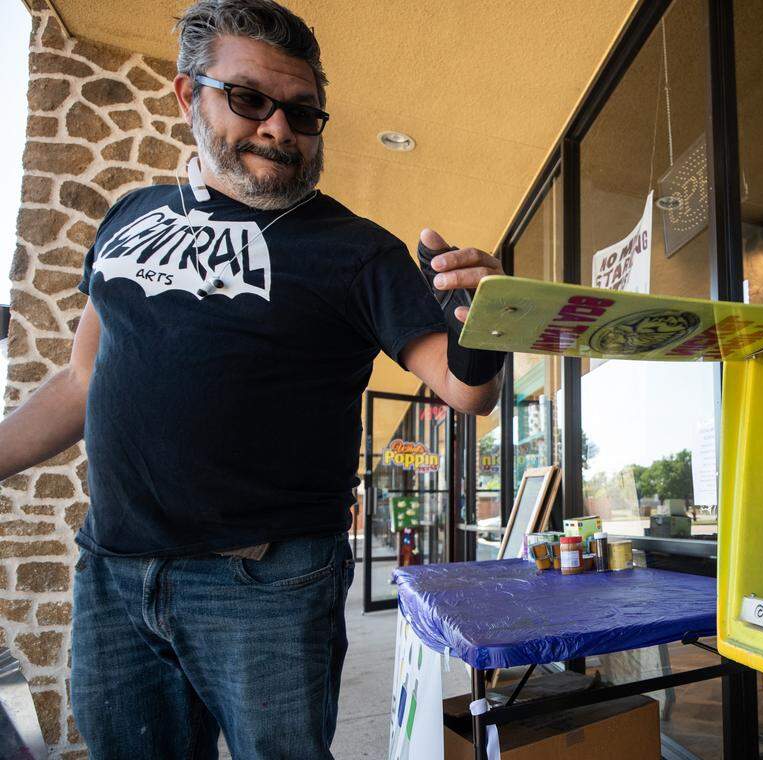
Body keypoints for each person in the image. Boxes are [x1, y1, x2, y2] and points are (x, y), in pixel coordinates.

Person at [0, 1, 505, 756]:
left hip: (265, 585)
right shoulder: (128, 216)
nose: (278, 129)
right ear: (186, 96)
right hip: (112, 570)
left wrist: (485, 318)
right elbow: (81, 380)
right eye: (249, 100)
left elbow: (467, 390)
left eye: (303, 114)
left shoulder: (355, 249)